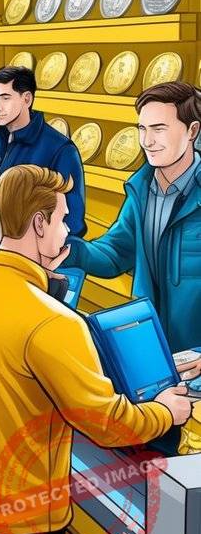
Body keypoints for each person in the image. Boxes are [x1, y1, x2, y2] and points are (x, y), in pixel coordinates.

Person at [0, 165, 191, 534]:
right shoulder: (55, 323)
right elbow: (107, 424)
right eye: (63, 219)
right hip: (21, 521)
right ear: (39, 224)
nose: (68, 231)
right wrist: (165, 411)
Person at [63, 81, 201, 354]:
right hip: (150, 346)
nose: (147, 141)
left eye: (159, 129)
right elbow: (115, 252)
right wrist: (68, 249)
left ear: (192, 131)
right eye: (142, 129)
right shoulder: (142, 189)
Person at [0, 66, 85, 254]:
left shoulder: (61, 150)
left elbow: (72, 221)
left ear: (27, 99)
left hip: (29, 260)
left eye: (5, 98)